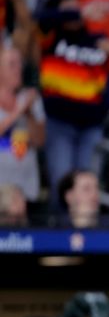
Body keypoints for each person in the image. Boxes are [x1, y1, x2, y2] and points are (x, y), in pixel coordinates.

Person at [38, 0, 109, 211]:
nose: (74, 14)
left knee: (89, 187)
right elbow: (39, 17)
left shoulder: (96, 41)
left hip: (92, 126)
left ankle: (88, 237)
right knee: (62, 184)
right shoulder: (50, 38)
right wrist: (80, 10)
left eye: (77, 9)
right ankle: (58, 239)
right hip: (59, 124)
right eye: (68, 9)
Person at [0, 45, 45, 203]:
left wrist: (30, 114)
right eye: (12, 64)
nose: (18, 69)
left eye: (20, 64)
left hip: (25, 185)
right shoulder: (22, 104)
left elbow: (39, 141)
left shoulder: (31, 99)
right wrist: (18, 112)